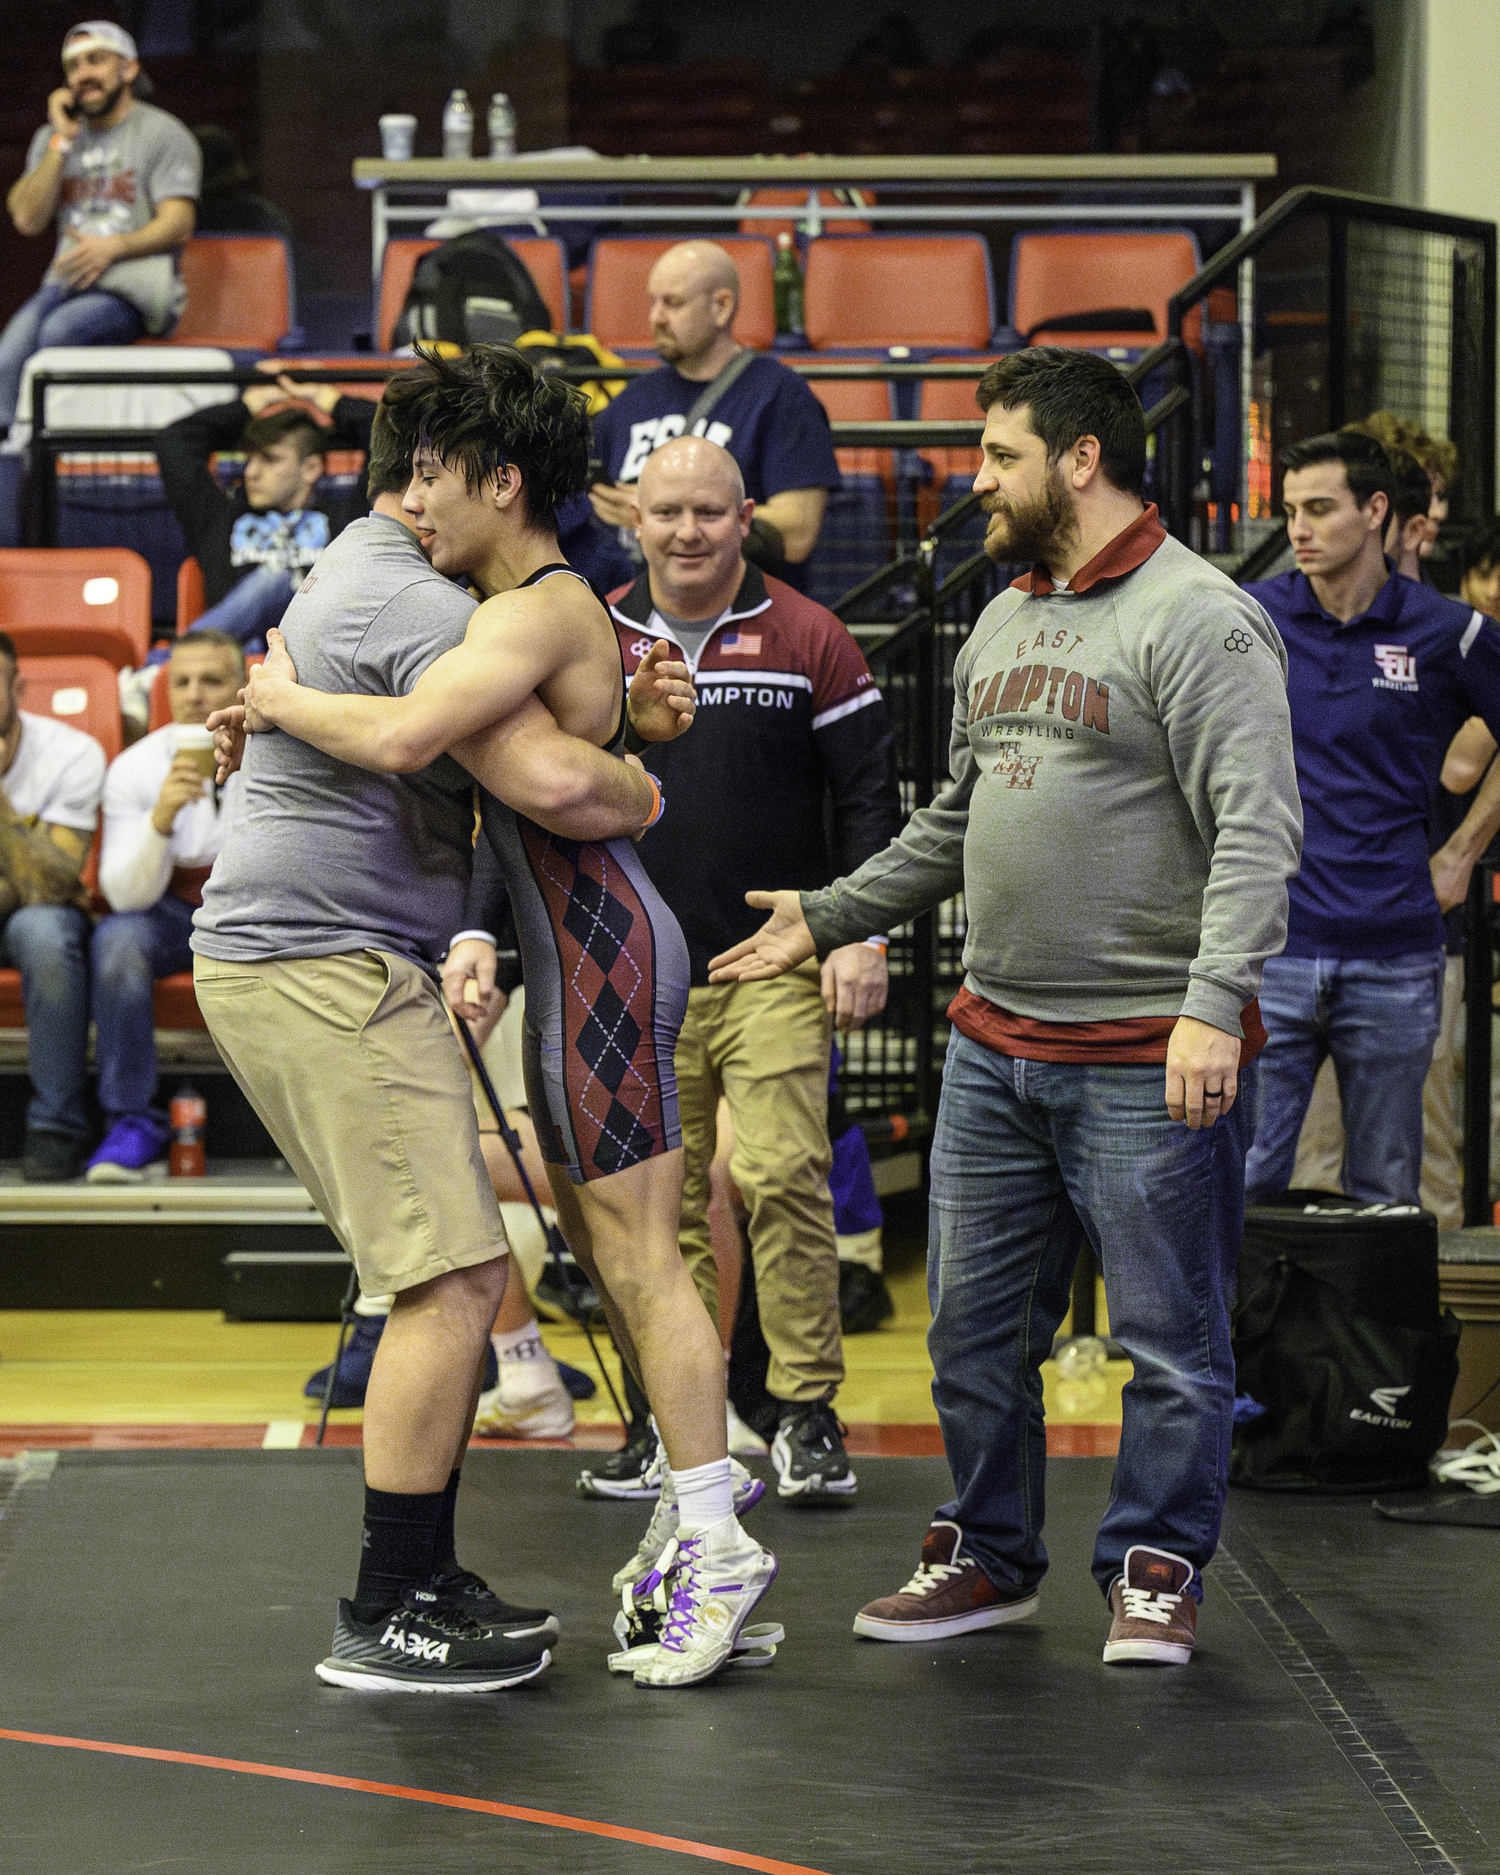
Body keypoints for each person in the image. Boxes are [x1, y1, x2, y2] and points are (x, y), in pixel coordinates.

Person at [710, 347, 1302, 1666]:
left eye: (999, 457)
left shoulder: (1199, 617)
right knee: (974, 1328)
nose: (976, 482)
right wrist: (829, 910)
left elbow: (1260, 835)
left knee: (1171, 1339)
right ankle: (988, 1551)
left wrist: (1215, 1005)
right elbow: (958, 824)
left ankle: (1154, 1564)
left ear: (1079, 460)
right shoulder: (1007, 616)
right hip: (995, 1046)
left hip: (1151, 1050)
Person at [217, 344, 775, 1690]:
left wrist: (283, 699)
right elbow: (563, 747)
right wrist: (638, 735)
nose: (413, 497)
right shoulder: (495, 600)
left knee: (632, 1251)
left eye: (434, 474)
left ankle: (711, 1524)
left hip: (595, 941)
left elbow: (478, 758)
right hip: (556, 941)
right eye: (402, 471)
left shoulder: (515, 612)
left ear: (501, 480)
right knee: (606, 1244)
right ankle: (683, 1516)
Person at [593, 433, 898, 1503]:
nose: (686, 532)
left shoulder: (812, 635)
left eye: (708, 513)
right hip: (635, 973)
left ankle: (806, 1413)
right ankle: (668, 1424)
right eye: (666, 512)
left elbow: (870, 799)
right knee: (653, 1215)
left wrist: (860, 932)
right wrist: (484, 934)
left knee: (779, 1179)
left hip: (768, 963)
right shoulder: (593, 634)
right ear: (635, 517)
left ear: (746, 517)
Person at [1244, 430, 1500, 1211]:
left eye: (1319, 509)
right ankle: (1244, 1340)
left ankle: (1374, 1341)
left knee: (1386, 1192)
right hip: (1271, 950)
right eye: (1289, 511)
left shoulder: (1447, 631)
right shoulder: (1252, 615)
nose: (1298, 529)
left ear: (1377, 511)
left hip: (1394, 954)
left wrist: (1461, 852)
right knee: (1244, 1180)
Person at [584, 240, 839, 586]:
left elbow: (797, 532)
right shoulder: (632, 399)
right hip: (631, 612)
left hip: (742, 616)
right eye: (653, 301)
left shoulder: (780, 396)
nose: (655, 317)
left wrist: (664, 516)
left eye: (673, 303)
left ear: (721, 307)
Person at [86, 630, 244, 1181]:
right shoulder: (136, 767)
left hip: (254, 910)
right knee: (118, 939)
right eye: (181, 681)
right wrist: (161, 819)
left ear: (244, 683)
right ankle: (133, 1122)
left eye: (212, 680)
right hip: (174, 912)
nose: (195, 694)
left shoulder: (279, 755)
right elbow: (126, 897)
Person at [1, 21, 199, 432]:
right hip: (65, 283)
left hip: (134, 292)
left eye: (96, 60)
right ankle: (12, 468)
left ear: (128, 69)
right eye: (73, 66)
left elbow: (179, 223)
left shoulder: (162, 132)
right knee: (5, 361)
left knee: (57, 335)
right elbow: (26, 218)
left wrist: (113, 247)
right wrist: (62, 141)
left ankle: (50, 461)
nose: (82, 74)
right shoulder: (54, 138)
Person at [155, 373, 376, 648]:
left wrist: (325, 398)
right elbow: (175, 442)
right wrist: (250, 403)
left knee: (277, 580)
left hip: (315, 650)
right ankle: (186, 659)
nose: (251, 472)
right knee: (267, 592)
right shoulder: (219, 519)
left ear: (311, 468)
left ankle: (170, 663)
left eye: (269, 460)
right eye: (249, 459)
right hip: (241, 656)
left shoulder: (347, 522)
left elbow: (384, 432)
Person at [0, 633, 107, 1182]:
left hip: (35, 915)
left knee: (45, 933)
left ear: (16, 687)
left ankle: (57, 1125)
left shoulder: (71, 754)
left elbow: (53, 882)